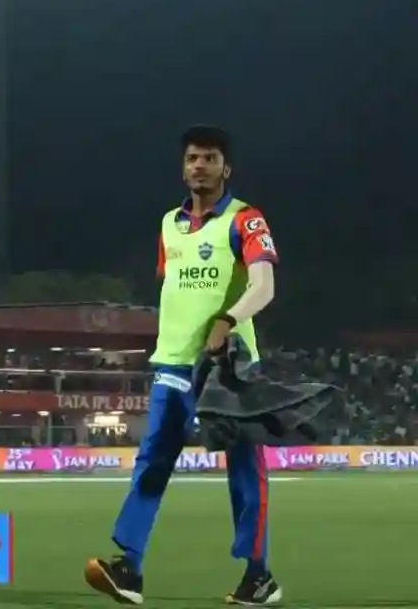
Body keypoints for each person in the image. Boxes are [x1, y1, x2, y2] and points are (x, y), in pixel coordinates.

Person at [85, 126, 281, 606]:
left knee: (244, 470)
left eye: (210, 158)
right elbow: (176, 290)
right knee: (152, 462)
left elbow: (264, 286)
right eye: (193, 158)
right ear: (183, 167)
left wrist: (226, 321)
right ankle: (129, 568)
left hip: (229, 370)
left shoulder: (245, 219)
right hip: (173, 364)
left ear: (226, 168)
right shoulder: (169, 224)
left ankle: (259, 577)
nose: (199, 166)